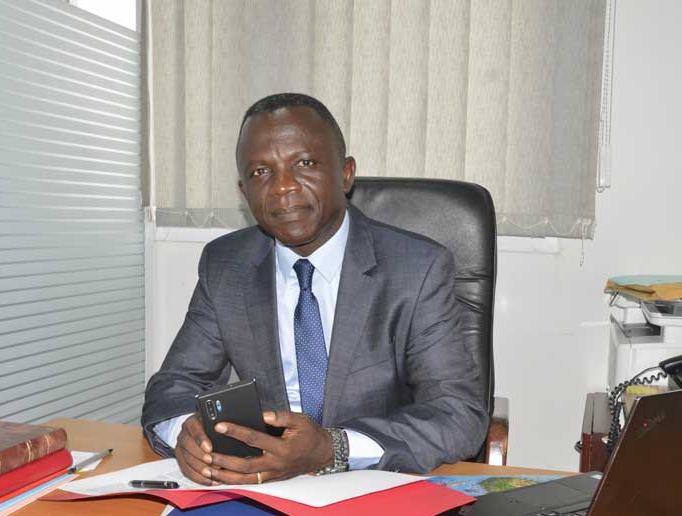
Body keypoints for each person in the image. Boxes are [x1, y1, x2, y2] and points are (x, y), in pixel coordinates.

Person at [142, 92, 487, 485]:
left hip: (376, 484)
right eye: (261, 172)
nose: (282, 188)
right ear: (243, 192)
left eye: (304, 164)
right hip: (266, 489)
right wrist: (187, 433)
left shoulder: (417, 268)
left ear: (346, 173)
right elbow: (173, 386)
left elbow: (458, 413)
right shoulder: (226, 265)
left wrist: (332, 448)